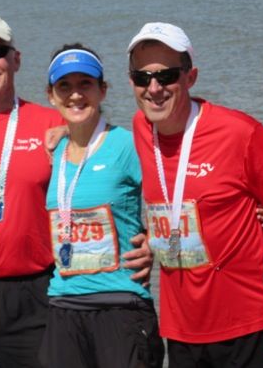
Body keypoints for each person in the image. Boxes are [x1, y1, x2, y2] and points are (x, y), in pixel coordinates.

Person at [0, 13, 151, 368]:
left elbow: (107, 179)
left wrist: (146, 239)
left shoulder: (59, 122)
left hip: (39, 292)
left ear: (16, 59)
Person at [128, 22, 263, 368]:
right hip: (181, 330)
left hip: (250, 325)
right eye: (141, 77)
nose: (154, 88)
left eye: (166, 76)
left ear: (190, 77)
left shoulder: (240, 132)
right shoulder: (139, 129)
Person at [39, 43, 165, 368]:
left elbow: (170, 196)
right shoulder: (54, 150)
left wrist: (155, 242)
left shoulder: (126, 144)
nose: (75, 95)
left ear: (103, 90)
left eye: (86, 84)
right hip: (63, 306)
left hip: (120, 305)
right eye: (64, 86)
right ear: (51, 95)